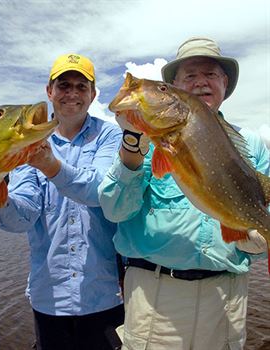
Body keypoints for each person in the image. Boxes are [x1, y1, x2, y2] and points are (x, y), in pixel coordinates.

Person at [0, 53, 124, 350]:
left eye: (81, 86)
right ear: (49, 91)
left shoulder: (110, 136)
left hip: (104, 297)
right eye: (64, 85)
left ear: (93, 94)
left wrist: (51, 166)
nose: (72, 94)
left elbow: (102, 192)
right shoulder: (24, 142)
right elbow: (23, 215)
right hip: (49, 299)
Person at [98, 37, 270, 350]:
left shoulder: (253, 145)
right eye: (189, 76)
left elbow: (260, 224)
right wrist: (132, 150)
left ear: (224, 83)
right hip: (156, 300)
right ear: (175, 86)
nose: (201, 82)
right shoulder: (141, 139)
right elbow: (114, 211)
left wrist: (258, 240)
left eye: (210, 75)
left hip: (227, 301)